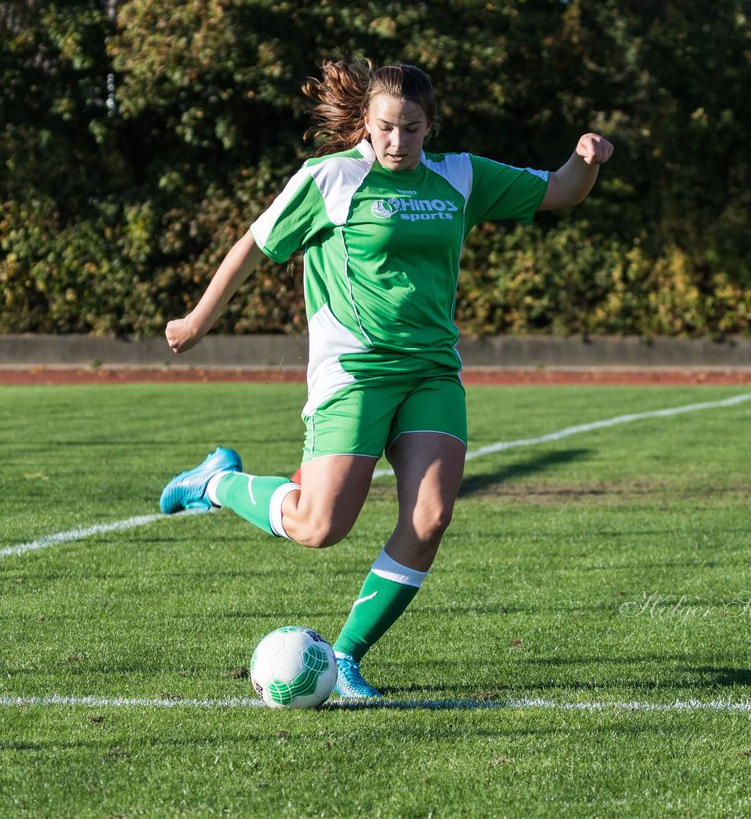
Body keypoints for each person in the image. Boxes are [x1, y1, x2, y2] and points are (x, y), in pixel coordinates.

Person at [158, 60, 613, 698]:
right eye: (385, 129)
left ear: (432, 127)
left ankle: (345, 658)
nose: (397, 143)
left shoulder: (461, 176)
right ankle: (217, 482)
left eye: (412, 129)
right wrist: (197, 320)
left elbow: (561, 189)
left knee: (430, 517)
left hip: (431, 371)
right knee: (320, 528)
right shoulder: (331, 178)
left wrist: (586, 158)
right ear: (367, 126)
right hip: (355, 372)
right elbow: (255, 245)